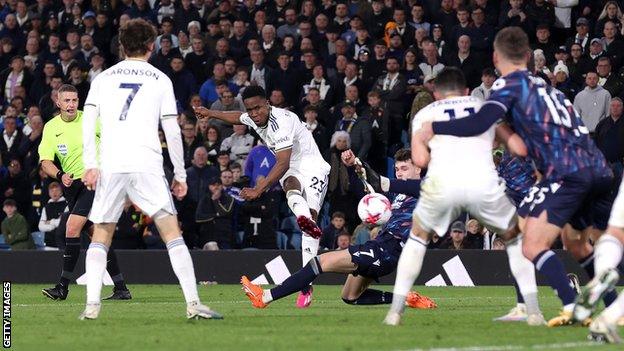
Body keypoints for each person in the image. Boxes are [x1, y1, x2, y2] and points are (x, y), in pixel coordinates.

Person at [417, 27, 615, 327]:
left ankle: (572, 305)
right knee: (577, 245)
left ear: (496, 57)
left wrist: (435, 128)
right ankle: (614, 306)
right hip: (597, 168)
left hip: (566, 172)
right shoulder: (548, 87)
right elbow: (535, 139)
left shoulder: (508, 85)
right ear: (527, 56)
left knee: (528, 241)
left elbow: (480, 122)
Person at [79, 18, 221, 320]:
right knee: (172, 233)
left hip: (112, 163)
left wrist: (91, 164)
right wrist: (180, 174)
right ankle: (193, 305)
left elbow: (88, 122)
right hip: (147, 163)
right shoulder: (160, 79)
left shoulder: (102, 78)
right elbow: (172, 129)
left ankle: (92, 307)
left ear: (122, 45)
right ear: (151, 46)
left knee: (101, 235)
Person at [384, 66, 541, 327]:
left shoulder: (425, 114)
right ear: (467, 91)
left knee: (417, 238)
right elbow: (512, 145)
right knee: (514, 239)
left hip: (442, 183)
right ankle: (533, 311)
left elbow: (420, 161)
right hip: (482, 182)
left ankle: (395, 312)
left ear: (436, 93)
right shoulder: (484, 106)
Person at [241, 148, 436, 310]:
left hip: (388, 249)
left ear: (418, 168)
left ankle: (265, 297)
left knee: (319, 262)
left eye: (404, 168)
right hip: (381, 247)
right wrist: (353, 168)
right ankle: (406, 299)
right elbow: (366, 187)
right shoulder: (397, 195)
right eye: (397, 169)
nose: (399, 173)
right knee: (350, 296)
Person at [194, 85, 331, 308]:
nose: (255, 114)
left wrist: (260, 189)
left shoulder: (282, 122)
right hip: (291, 168)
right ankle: (304, 220)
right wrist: (210, 113)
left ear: (268, 103)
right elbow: (237, 117)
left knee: (310, 217)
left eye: (258, 108)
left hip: (313, 166)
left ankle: (306, 282)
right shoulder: (252, 116)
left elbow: (283, 161)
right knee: (290, 184)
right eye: (251, 110)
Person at [39, 84, 131, 301]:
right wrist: (60, 175)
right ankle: (121, 288)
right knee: (97, 236)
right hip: (72, 187)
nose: (71, 104)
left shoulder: (91, 119)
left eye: (74, 100)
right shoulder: (51, 127)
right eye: (67, 101)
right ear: (58, 103)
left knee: (72, 228)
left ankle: (62, 287)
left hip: (95, 182)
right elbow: (45, 161)